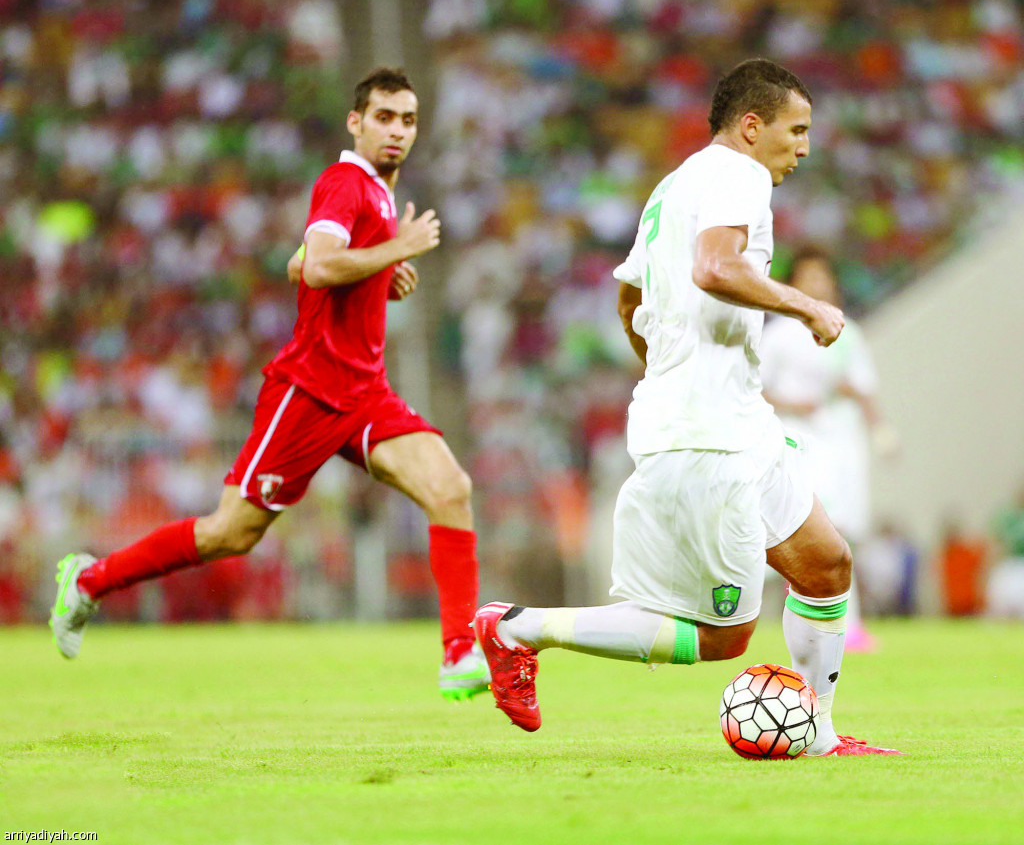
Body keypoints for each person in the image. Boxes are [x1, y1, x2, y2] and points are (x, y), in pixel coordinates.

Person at [472, 59, 900, 755]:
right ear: (752, 126)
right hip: (708, 435)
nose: (804, 147)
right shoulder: (739, 175)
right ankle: (518, 627)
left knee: (826, 564)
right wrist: (806, 305)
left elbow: (628, 298)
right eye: (796, 130)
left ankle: (819, 732)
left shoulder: (672, 187)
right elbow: (715, 267)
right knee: (722, 637)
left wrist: (668, 371)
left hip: (736, 418)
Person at [50, 68, 489, 702]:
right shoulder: (345, 182)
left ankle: (458, 653)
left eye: (408, 120)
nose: (397, 130)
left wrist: (376, 271)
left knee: (450, 489)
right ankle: (88, 581)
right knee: (231, 532)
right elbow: (316, 267)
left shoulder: (379, 193)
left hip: (365, 392)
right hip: (309, 392)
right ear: (356, 122)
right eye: (384, 117)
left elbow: (297, 262)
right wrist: (395, 252)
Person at [758, 247, 898, 651]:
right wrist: (792, 404)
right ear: (792, 284)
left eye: (823, 276)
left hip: (841, 443)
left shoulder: (847, 332)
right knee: (809, 529)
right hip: (795, 440)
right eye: (808, 277)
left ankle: (846, 625)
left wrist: (880, 429)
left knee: (844, 531)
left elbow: (863, 387)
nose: (817, 284)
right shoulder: (779, 335)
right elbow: (754, 388)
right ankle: (795, 617)